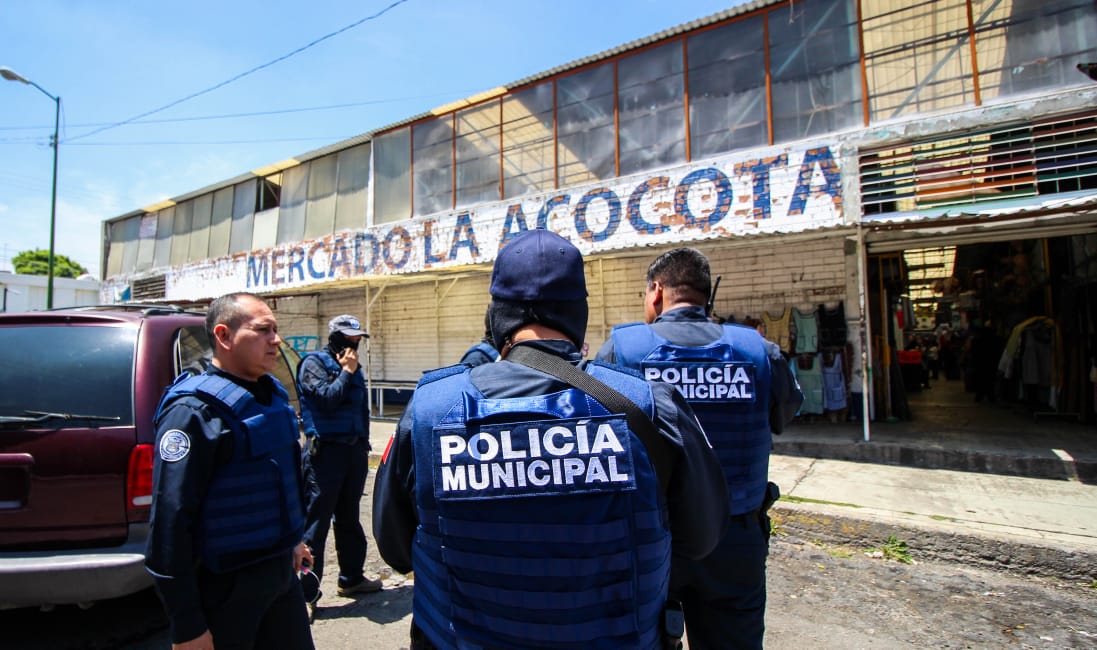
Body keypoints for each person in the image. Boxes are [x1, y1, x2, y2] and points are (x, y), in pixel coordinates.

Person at [373, 229, 729, 650]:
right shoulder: (648, 405)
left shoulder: (432, 409)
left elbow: (395, 548)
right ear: (577, 313)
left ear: (497, 316)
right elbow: (701, 537)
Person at [596, 248, 803, 650]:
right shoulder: (757, 349)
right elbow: (783, 416)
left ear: (656, 291)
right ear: (705, 296)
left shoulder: (623, 348)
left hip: (653, 538)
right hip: (735, 538)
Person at [146, 292, 314, 650]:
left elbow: (280, 480)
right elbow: (169, 526)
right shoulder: (193, 412)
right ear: (223, 336)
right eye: (263, 330)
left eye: (276, 329)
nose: (276, 340)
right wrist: (187, 626)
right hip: (224, 589)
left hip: (280, 575)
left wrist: (294, 539)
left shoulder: (272, 396)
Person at [297, 314, 382, 609]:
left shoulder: (352, 365)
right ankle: (306, 594)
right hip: (326, 454)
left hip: (352, 452)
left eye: (358, 336)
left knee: (349, 518)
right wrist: (346, 372)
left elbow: (359, 411)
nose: (355, 341)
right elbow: (326, 399)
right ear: (335, 336)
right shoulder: (314, 364)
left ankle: (351, 578)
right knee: (316, 524)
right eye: (349, 336)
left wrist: (363, 445)